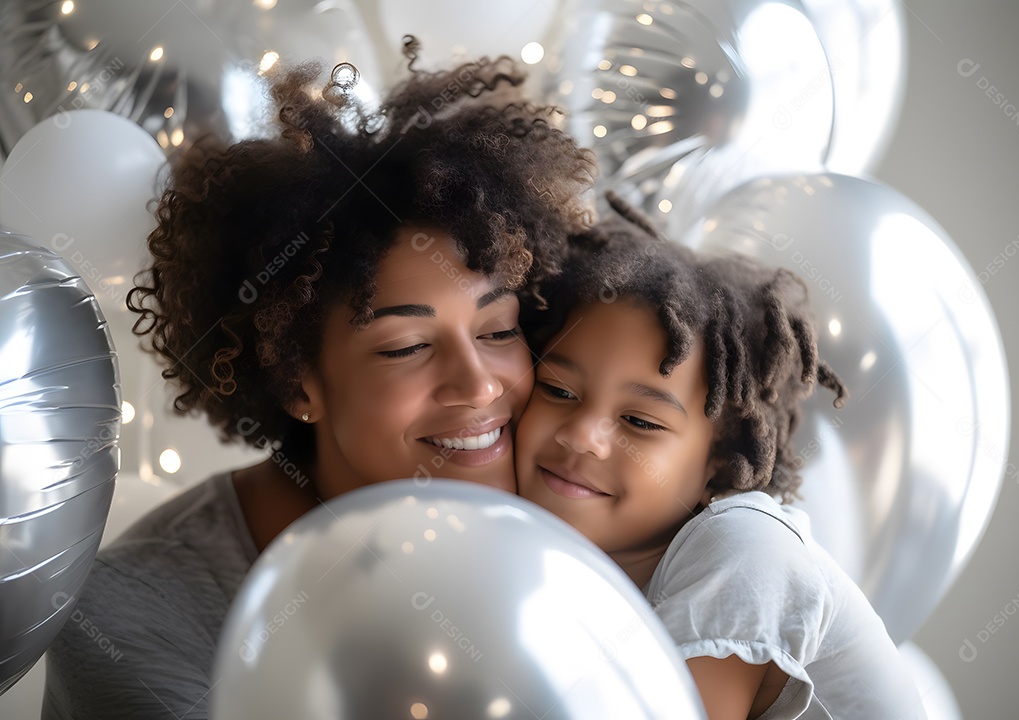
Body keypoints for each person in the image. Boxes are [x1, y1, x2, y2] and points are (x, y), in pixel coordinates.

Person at [41, 51, 597, 720]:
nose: (479, 386)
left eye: (499, 331)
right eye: (408, 346)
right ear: (299, 384)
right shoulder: (134, 612)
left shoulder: (567, 511)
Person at [515, 195, 926, 719]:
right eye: (557, 390)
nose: (582, 437)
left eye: (640, 423)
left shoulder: (745, 550)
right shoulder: (577, 577)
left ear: (721, 464)